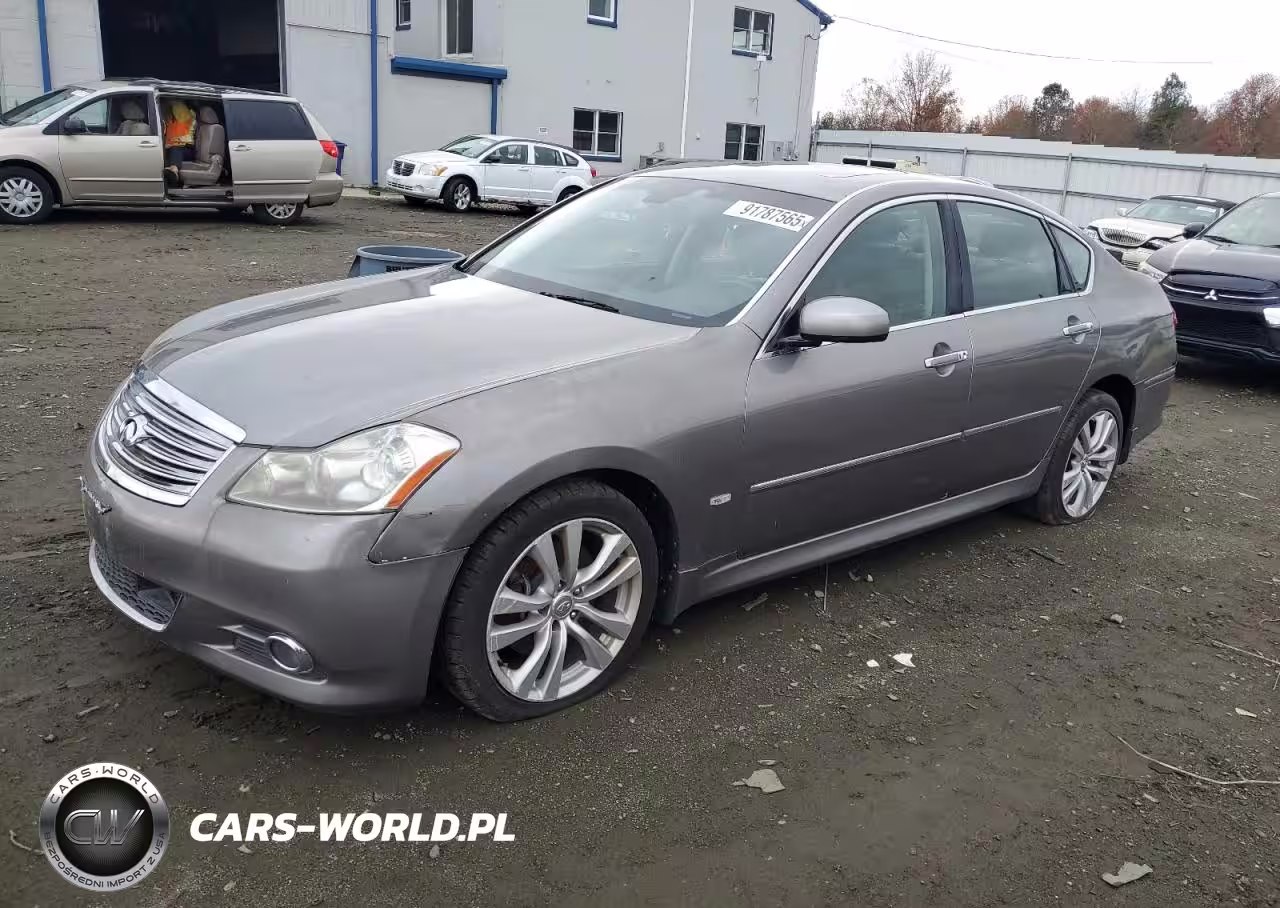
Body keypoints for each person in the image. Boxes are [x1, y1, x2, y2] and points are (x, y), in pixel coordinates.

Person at [162, 100, 196, 183]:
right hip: (172, 148)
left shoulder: (190, 119)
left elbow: (190, 140)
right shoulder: (169, 122)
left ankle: (174, 170)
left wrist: (175, 141)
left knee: (176, 148)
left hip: (187, 149)